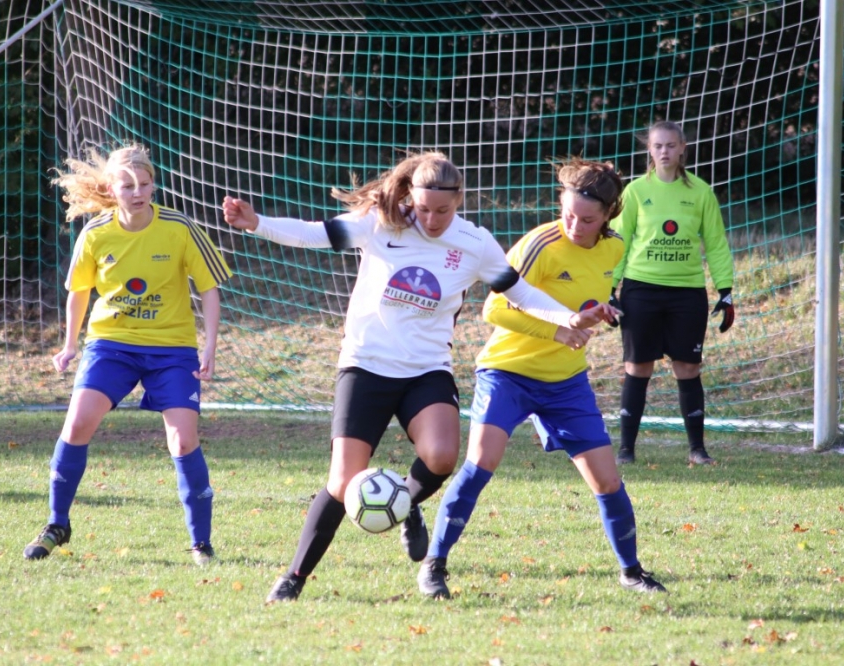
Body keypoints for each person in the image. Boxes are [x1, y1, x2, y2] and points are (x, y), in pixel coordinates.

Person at [221, 151, 601, 602]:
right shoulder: (379, 222)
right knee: (342, 483)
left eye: (443, 210)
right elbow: (314, 233)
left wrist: (569, 318)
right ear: (410, 198)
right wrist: (256, 222)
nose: (432, 220)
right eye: (423, 209)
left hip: (426, 370)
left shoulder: (474, 242)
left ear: (458, 201)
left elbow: (520, 291)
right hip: (365, 366)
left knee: (441, 457)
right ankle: (293, 578)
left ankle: (403, 501)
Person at [417, 158, 666, 600]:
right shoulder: (540, 244)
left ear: (608, 215)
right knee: (480, 464)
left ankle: (631, 571)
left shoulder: (614, 248)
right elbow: (494, 309)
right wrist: (558, 330)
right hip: (507, 373)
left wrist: (601, 310)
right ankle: (434, 565)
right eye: (568, 214)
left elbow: (585, 296)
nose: (574, 226)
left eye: (587, 220)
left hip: (566, 381)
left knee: (607, 481)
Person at [23, 144, 232, 565]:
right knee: (77, 424)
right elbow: (79, 291)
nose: (138, 193)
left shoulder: (179, 227)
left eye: (145, 184)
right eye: (128, 185)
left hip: (172, 349)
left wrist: (210, 345)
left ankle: (201, 543)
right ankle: (56, 524)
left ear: (154, 185)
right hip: (111, 345)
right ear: (110, 189)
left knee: (183, 439)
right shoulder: (96, 233)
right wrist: (69, 344)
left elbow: (209, 288)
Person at [610, 120, 735, 466]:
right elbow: (618, 242)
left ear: (682, 148)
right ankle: (626, 450)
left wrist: (725, 290)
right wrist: (608, 288)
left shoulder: (701, 192)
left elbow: (716, 244)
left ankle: (697, 449)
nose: (664, 151)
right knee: (637, 367)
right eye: (657, 146)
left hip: (687, 293)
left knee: (688, 367)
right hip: (641, 290)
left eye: (670, 145)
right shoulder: (635, 191)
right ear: (649, 151)